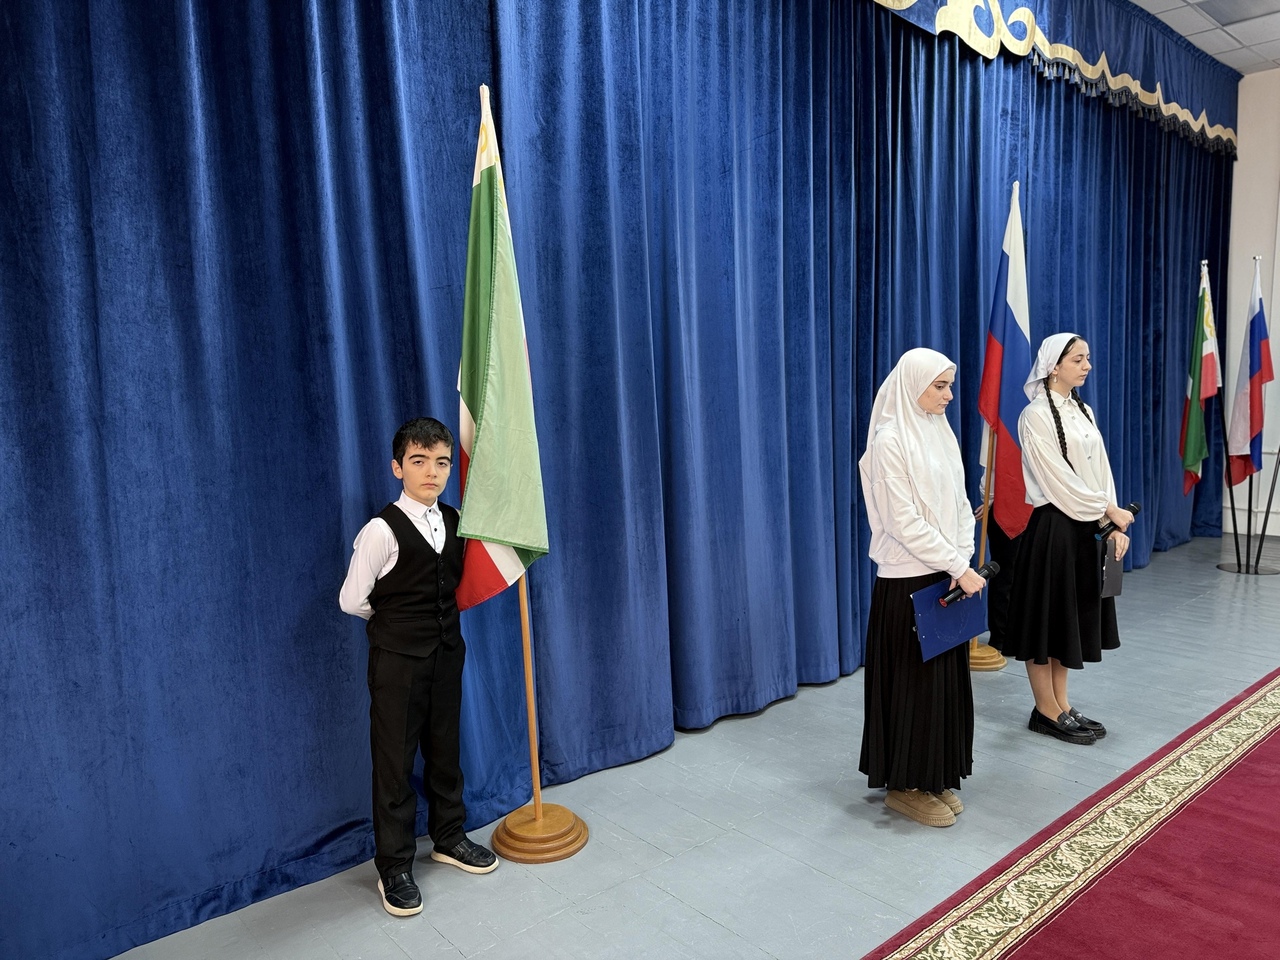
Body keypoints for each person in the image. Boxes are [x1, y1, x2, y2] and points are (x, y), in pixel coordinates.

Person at [339, 417, 498, 918]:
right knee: (395, 765)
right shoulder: (380, 531)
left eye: (442, 462)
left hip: (447, 654)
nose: (432, 472)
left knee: (445, 751)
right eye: (419, 460)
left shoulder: (454, 519)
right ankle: (394, 866)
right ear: (398, 468)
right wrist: (398, 626)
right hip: (398, 664)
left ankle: (449, 836)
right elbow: (352, 600)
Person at [859, 348, 986, 827]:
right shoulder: (889, 440)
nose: (949, 395)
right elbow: (902, 521)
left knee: (940, 685)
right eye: (940, 386)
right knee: (912, 685)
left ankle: (933, 775)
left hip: (946, 572)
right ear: (913, 384)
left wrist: (961, 559)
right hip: (907, 578)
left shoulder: (940, 430)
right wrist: (956, 562)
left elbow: (961, 503)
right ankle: (904, 786)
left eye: (950, 385)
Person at [995, 333, 1132, 745]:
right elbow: (1057, 480)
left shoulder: (1083, 410)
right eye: (1078, 359)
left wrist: (1111, 522)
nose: (1087, 365)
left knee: (1066, 621)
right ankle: (1044, 709)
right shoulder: (1035, 415)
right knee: (1046, 622)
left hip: (1085, 527)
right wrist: (1107, 510)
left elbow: (1099, 470)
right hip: (1054, 529)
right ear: (1054, 366)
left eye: (1087, 358)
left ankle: (1062, 703)